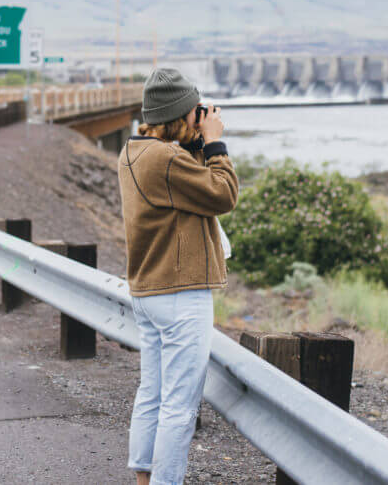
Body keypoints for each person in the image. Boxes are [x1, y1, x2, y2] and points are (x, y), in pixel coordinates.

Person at [117, 68, 239, 485]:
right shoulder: (165, 159)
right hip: (179, 293)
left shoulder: (134, 152)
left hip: (148, 290)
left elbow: (192, 187)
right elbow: (223, 194)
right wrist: (216, 142)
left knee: (151, 394)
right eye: (194, 110)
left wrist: (197, 139)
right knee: (180, 405)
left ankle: (145, 479)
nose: (199, 117)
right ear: (179, 113)